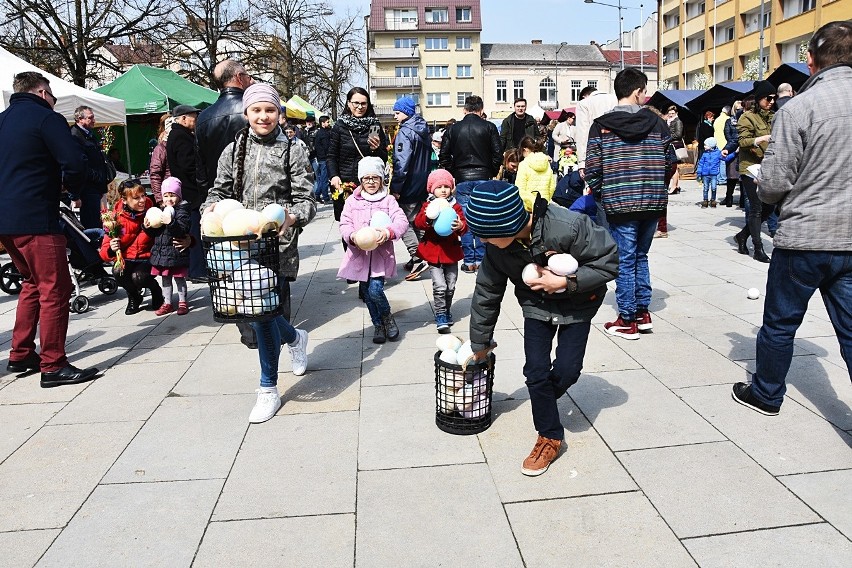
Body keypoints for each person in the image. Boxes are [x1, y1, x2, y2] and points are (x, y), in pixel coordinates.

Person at [732, 21, 852, 416]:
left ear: (811, 60)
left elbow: (773, 185)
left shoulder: (799, 108)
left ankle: (766, 394)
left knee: (780, 324)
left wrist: (764, 181)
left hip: (806, 236)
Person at [466, 181, 618, 476]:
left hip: (578, 305)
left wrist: (565, 282)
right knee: (535, 372)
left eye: (486, 236)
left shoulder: (568, 226)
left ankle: (543, 398)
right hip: (536, 305)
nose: (482, 242)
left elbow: (609, 262)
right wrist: (480, 342)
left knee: (568, 370)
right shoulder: (498, 250)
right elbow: (486, 293)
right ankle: (550, 436)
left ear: (507, 226)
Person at [202, 82, 316, 424]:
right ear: (247, 113)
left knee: (263, 315)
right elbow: (217, 191)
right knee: (256, 312)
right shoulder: (233, 149)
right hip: (237, 244)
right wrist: (210, 212)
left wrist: (292, 217)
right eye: (256, 110)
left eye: (270, 109)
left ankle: (268, 387)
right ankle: (296, 338)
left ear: (279, 113)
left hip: (274, 246)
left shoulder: (292, 150)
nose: (263, 116)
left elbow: (307, 200)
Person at [0, 71, 99, 387]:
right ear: (42, 92)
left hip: (6, 221)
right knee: (56, 289)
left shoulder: (2, 120)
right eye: (52, 94)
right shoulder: (46, 118)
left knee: (31, 283)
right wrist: (71, 190)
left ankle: (20, 354)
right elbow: (74, 162)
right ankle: (54, 364)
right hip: (36, 217)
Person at [586, 68, 671, 340]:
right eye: (644, 91)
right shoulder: (658, 123)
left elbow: (593, 168)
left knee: (624, 259)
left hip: (619, 201)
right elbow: (670, 162)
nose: (645, 96)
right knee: (640, 256)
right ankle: (642, 313)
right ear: (636, 92)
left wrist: (603, 194)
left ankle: (627, 318)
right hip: (653, 201)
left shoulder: (601, 125)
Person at [337, 157, 409, 344]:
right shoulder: (352, 200)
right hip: (359, 257)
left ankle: (387, 318)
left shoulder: (388, 200)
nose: (370, 182)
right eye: (366, 178)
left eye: (375, 177)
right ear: (361, 179)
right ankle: (377, 324)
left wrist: (388, 232)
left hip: (379, 257)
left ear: (382, 179)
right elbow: (344, 223)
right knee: (367, 294)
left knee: (376, 290)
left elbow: (402, 221)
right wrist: (352, 236)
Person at [439, 95, 502, 273]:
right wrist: (491, 171)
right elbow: (498, 153)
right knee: (482, 218)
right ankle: (482, 259)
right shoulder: (489, 127)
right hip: (483, 175)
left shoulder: (453, 129)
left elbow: (444, 155)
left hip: (463, 178)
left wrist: (455, 172)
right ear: (481, 110)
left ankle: (468, 260)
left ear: (465, 109)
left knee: (464, 220)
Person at [327, 87, 390, 251]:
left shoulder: (374, 125)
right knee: (348, 226)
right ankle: (352, 265)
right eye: (356, 103)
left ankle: (371, 267)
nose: (360, 107)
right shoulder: (340, 127)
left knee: (370, 224)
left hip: (369, 185)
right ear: (348, 103)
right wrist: (334, 176)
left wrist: (377, 149)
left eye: (364, 103)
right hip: (346, 185)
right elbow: (331, 156)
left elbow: (383, 159)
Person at [99, 178, 165, 315]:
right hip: (127, 258)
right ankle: (134, 295)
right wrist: (111, 248)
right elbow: (104, 251)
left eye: (143, 195)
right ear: (124, 200)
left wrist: (148, 230)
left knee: (139, 277)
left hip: (147, 256)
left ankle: (156, 290)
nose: (142, 200)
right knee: (117, 271)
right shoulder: (114, 218)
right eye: (136, 198)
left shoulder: (152, 212)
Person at [414, 169, 467, 333]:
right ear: (431, 189)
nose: (443, 190)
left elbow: (464, 224)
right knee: (440, 286)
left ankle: (447, 309)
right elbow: (419, 222)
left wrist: (461, 226)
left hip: (451, 253)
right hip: (434, 253)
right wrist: (429, 217)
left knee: (450, 286)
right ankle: (441, 314)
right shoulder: (428, 205)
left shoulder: (455, 206)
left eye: (446, 186)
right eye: (439, 187)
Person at [733, 80, 776, 263]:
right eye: (768, 98)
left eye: (774, 98)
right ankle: (758, 248)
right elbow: (742, 142)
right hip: (750, 168)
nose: (772, 101)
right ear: (759, 99)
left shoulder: (773, 116)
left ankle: (743, 235)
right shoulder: (747, 117)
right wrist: (760, 139)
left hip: (767, 166)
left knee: (770, 206)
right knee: (756, 207)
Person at [390, 96, 431, 281]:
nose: (395, 116)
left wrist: (396, 186)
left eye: (397, 112)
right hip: (421, 181)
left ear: (405, 112)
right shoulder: (423, 129)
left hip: (407, 183)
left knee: (403, 222)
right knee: (417, 220)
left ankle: (417, 256)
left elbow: (401, 162)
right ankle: (423, 254)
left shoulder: (405, 132)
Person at [166, 104, 206, 280]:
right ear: (183, 118)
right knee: (194, 231)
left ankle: (195, 269)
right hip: (190, 191)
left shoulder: (179, 135)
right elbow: (188, 165)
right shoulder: (181, 137)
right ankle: (197, 270)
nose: (195, 120)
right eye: (193, 117)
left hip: (188, 190)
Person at [145, 177, 191, 316]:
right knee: (165, 279)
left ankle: (182, 302)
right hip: (163, 253)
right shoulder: (160, 211)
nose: (169, 199)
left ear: (179, 196)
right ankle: (167, 302)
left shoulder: (182, 212)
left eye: (172, 195)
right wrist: (146, 227)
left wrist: (171, 222)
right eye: (166, 196)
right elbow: (155, 232)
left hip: (176, 253)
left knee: (179, 278)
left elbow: (182, 230)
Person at [69, 105, 114, 229]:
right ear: (80, 119)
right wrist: (96, 177)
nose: (94, 120)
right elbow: (79, 164)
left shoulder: (90, 135)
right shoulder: (75, 136)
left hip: (96, 187)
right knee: (91, 224)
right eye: (90, 118)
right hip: (88, 189)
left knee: (99, 221)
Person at [575, 86, 618, 178]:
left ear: (584, 96)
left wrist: (582, 163)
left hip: (595, 152)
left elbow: (582, 134)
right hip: (617, 151)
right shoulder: (616, 98)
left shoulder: (583, 104)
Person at [515, 135, 555, 211]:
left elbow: (520, 189)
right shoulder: (546, 163)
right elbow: (552, 186)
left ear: (525, 149)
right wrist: (546, 201)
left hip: (528, 208)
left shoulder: (524, 164)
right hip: (544, 206)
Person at [149, 113, 173, 206]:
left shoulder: (183, 143)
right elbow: (155, 173)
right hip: (169, 195)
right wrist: (160, 199)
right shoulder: (161, 148)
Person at [696, 137, 722, 208]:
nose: (704, 146)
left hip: (714, 174)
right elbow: (701, 163)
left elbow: (725, 157)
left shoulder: (718, 153)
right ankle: (705, 201)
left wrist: (734, 153)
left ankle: (713, 200)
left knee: (714, 187)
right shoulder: (704, 154)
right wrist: (699, 172)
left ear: (711, 146)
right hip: (705, 174)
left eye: (705, 145)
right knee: (705, 188)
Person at [665, 105, 684, 195]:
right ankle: (675, 186)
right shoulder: (668, 121)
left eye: (672, 113)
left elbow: (678, 134)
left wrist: (667, 137)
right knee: (673, 166)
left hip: (674, 145)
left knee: (673, 167)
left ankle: (674, 186)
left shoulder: (678, 121)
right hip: (670, 145)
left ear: (676, 113)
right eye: (669, 113)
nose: (671, 115)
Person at [313, 115, 332, 203]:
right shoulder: (323, 134)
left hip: (321, 158)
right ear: (323, 123)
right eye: (327, 122)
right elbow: (327, 147)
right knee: (324, 179)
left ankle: (317, 194)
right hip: (325, 158)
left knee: (322, 178)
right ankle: (326, 197)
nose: (329, 123)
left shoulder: (320, 133)